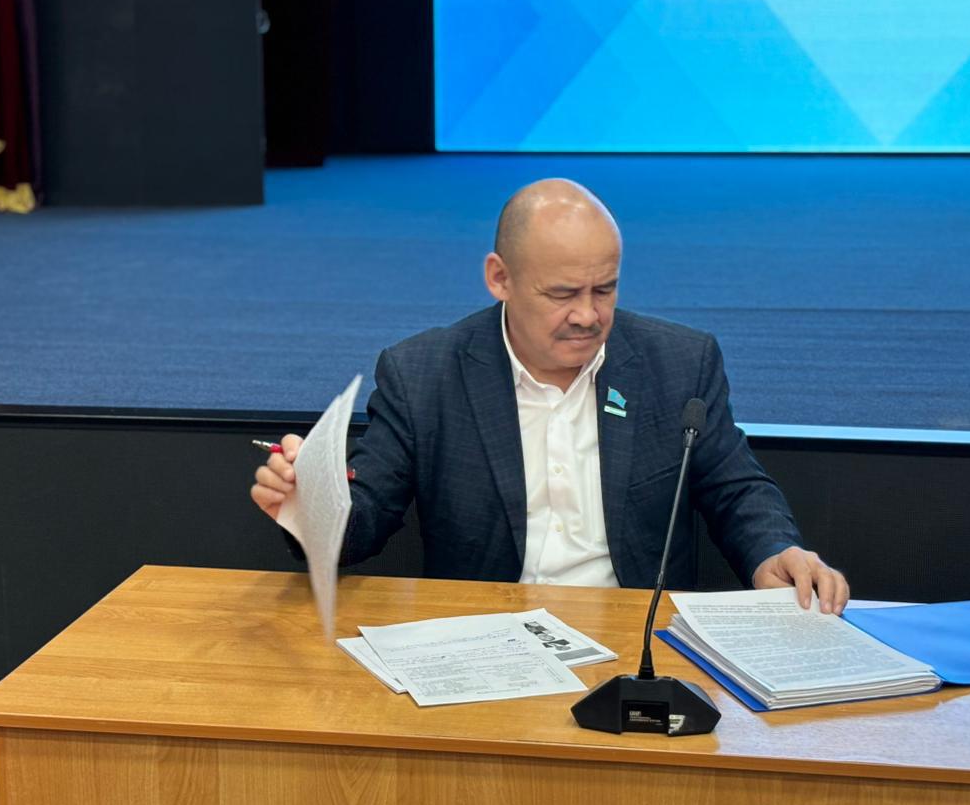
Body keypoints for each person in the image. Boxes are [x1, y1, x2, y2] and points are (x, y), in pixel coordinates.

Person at [252, 179, 850, 613]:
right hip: (484, 643)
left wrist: (773, 552)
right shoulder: (424, 375)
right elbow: (364, 521)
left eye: (605, 289)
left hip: (639, 641)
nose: (588, 315)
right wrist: (311, 503)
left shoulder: (678, 363)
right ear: (500, 278)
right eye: (563, 294)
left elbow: (734, 487)